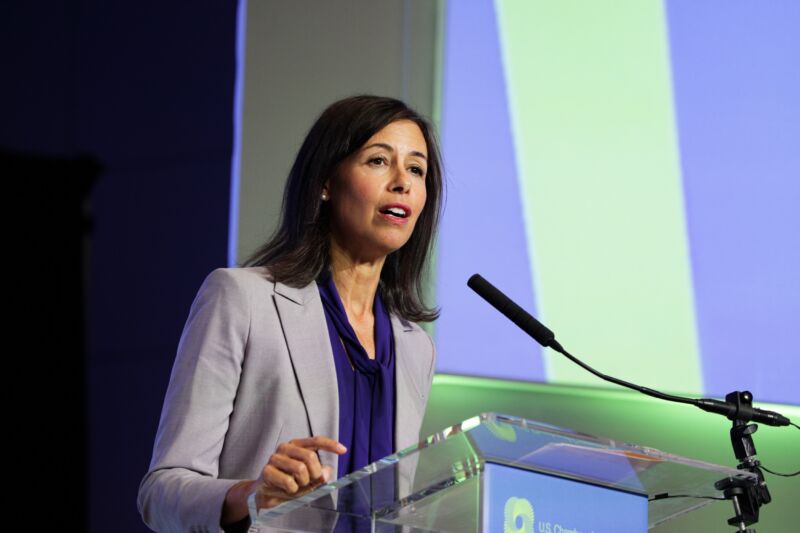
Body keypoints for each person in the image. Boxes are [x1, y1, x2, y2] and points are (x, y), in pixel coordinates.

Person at [137, 95, 444, 533]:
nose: (403, 183)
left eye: (417, 169)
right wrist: (250, 493)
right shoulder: (241, 299)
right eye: (378, 161)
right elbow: (160, 494)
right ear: (325, 182)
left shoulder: (414, 348)